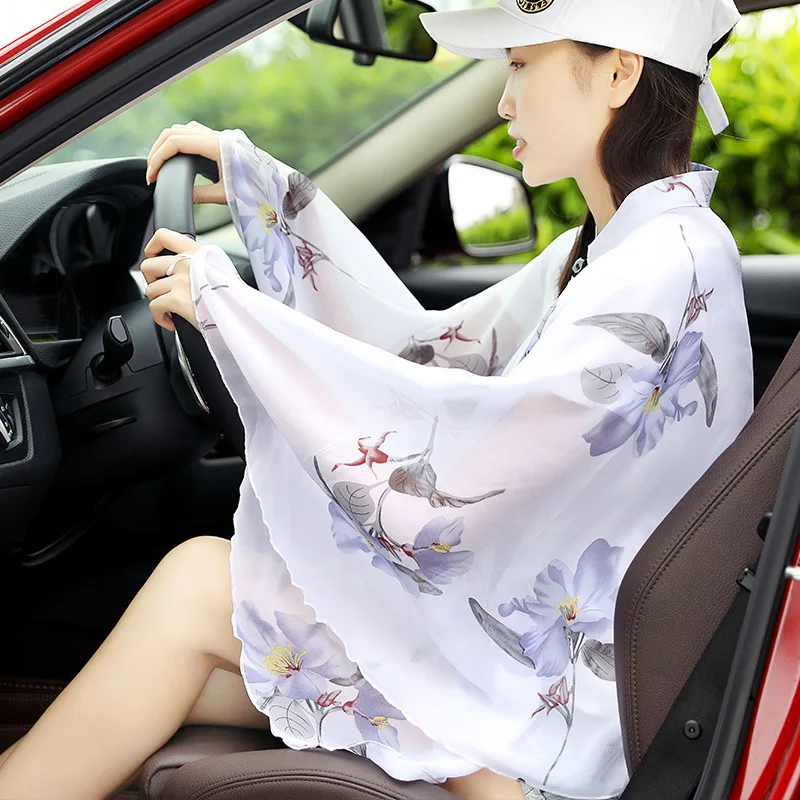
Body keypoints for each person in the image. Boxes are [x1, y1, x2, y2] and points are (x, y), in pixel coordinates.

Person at [0, 0, 753, 798]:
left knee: (195, 588)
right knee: (208, 645)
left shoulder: (663, 266)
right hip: (557, 679)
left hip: (554, 708)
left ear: (619, 72)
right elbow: (432, 349)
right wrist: (271, 202)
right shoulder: (627, 248)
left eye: (521, 65)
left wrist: (234, 312)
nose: (505, 101)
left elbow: (466, 469)